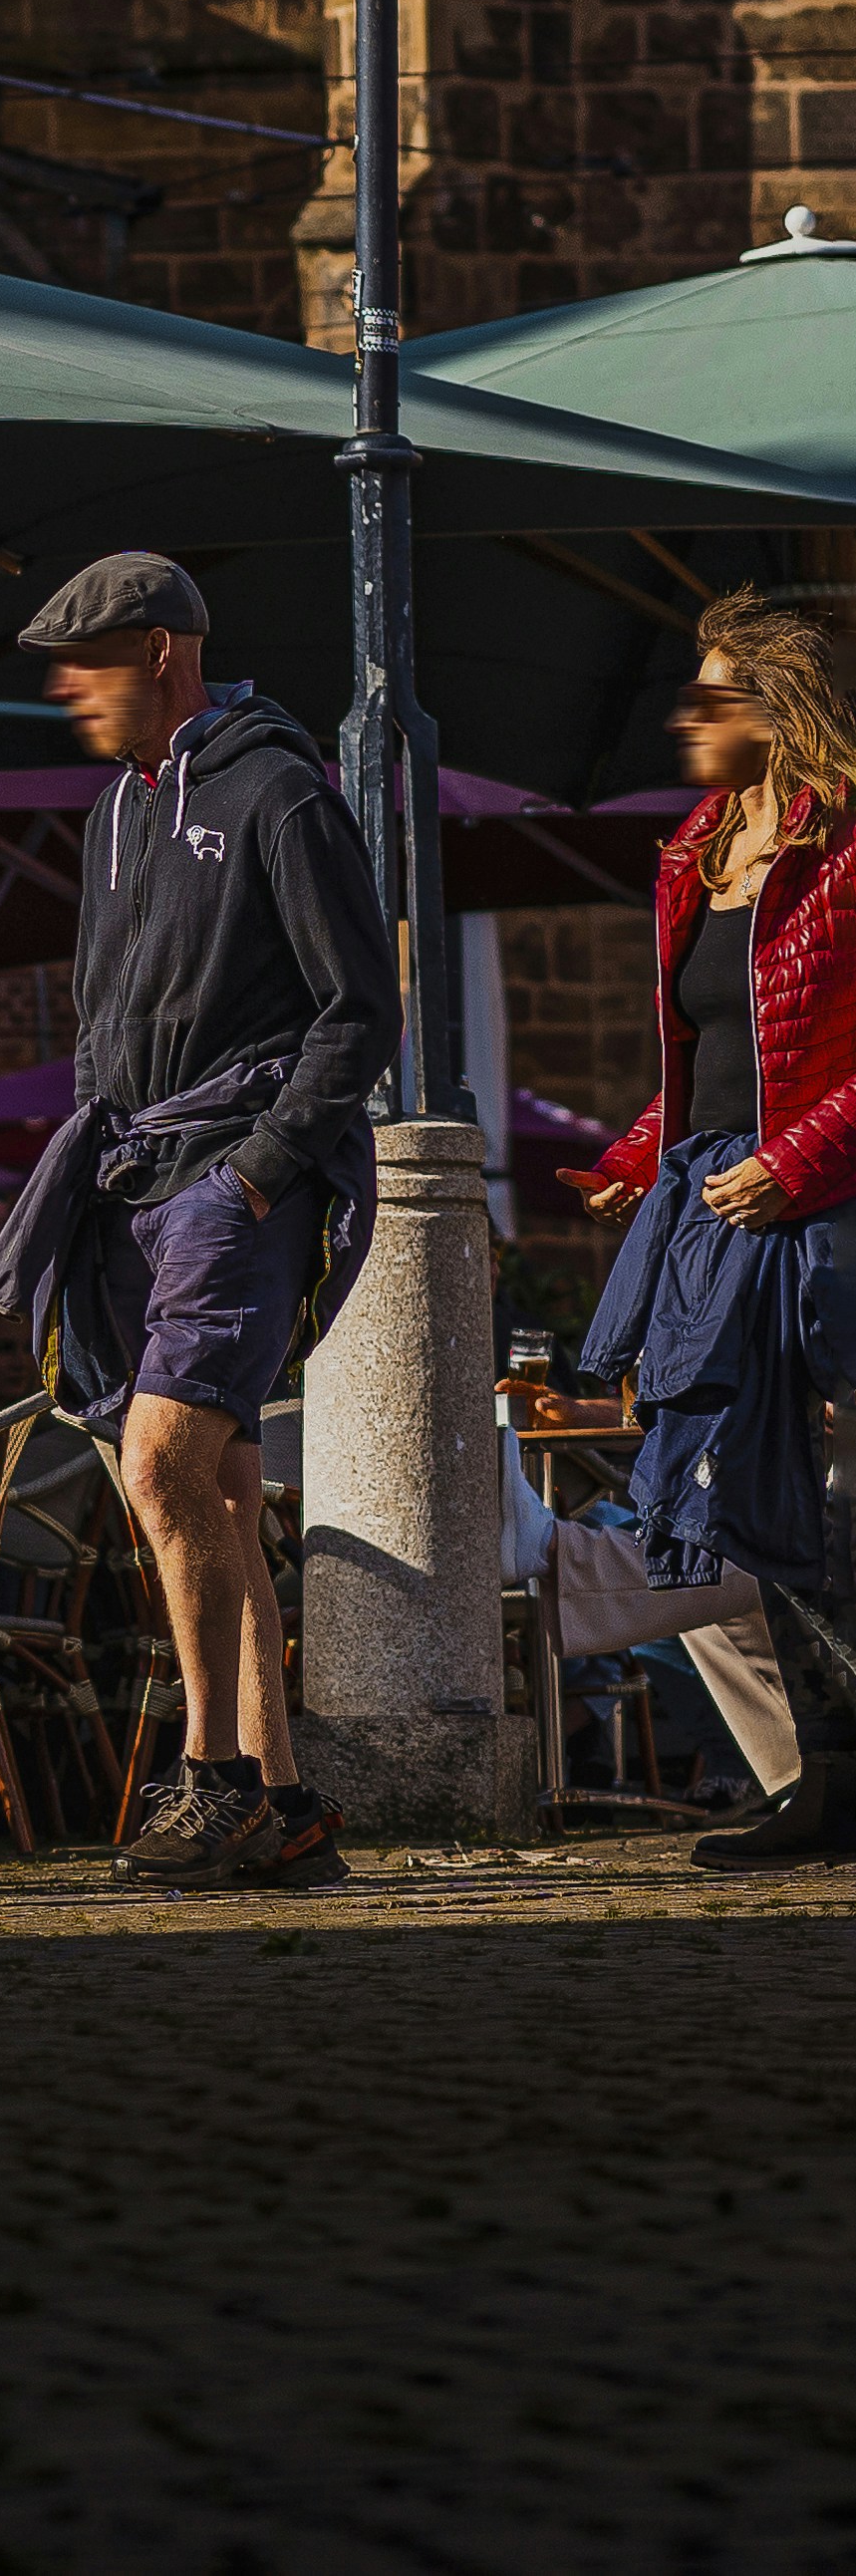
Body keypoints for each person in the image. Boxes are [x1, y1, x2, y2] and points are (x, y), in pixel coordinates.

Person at [0, 553, 398, 1891]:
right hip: (130, 1180)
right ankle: (284, 1803)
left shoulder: (281, 793)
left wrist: (263, 1169)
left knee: (160, 1465)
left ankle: (209, 1781)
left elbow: (359, 1012)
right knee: (207, 1486)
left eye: (85, 663)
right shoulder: (108, 816)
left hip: (235, 1178)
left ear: (161, 652)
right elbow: (105, 1018)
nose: (66, 691)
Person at [570, 591, 856, 1867]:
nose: (685, 713)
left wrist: (794, 1163)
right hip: (724, 1210)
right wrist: (641, 1157)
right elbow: (715, 1060)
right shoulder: (696, 851)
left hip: (828, 1218)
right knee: (751, 1499)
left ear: (780, 710)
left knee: (830, 1497)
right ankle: (831, 1780)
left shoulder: (844, 851)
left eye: (714, 692)